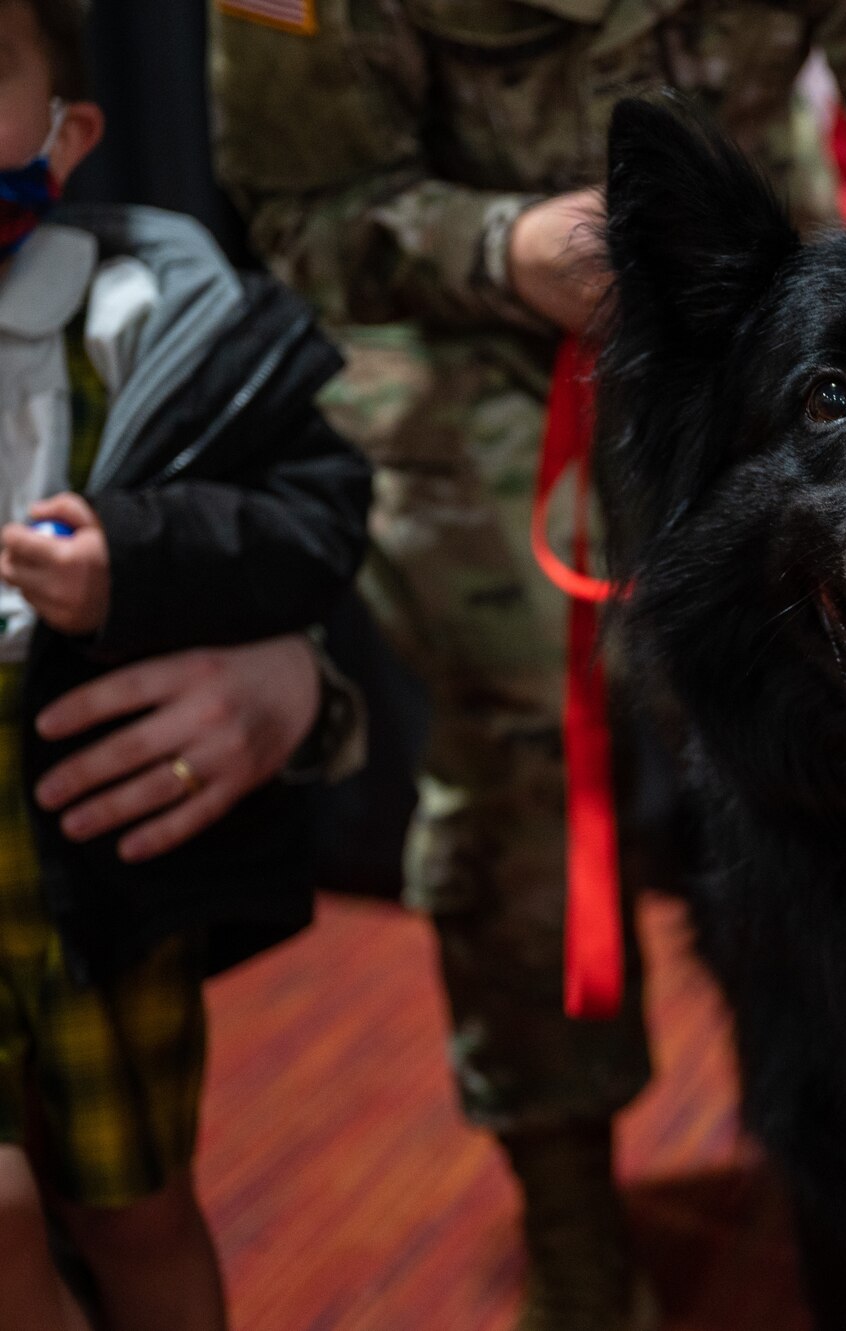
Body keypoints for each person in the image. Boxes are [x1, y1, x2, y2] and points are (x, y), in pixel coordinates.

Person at [211, 2, 846, 1326]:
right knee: (527, 775)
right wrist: (499, 248)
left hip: (751, 308)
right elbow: (300, 207)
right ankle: (570, 1221)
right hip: (468, 352)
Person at [0, 0, 373, 1326]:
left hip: (90, 867)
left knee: (135, 1203)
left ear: (67, 132)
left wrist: (140, 562)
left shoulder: (148, 318)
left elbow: (311, 513)